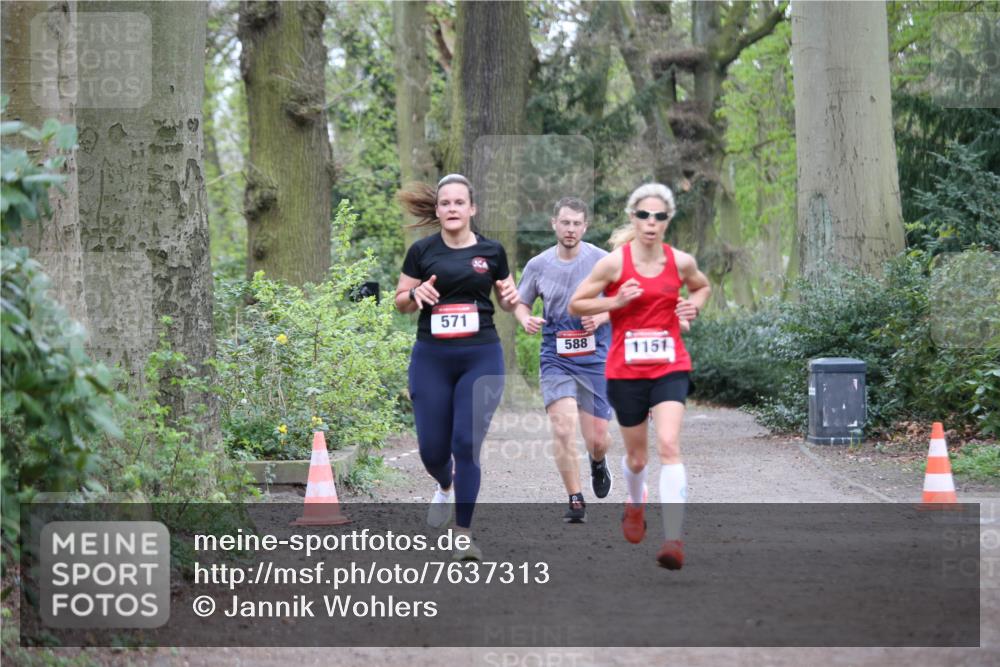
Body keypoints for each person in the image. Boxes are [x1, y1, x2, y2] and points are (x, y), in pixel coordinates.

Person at [569, 183, 710, 570]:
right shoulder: (614, 264)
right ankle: (635, 503)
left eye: (659, 216)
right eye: (644, 215)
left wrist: (691, 308)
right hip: (625, 371)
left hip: (670, 366)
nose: (651, 222)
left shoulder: (680, 261)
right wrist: (616, 301)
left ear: (668, 221)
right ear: (633, 217)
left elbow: (702, 286)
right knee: (636, 457)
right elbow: (576, 302)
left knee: (668, 443)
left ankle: (673, 539)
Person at [394, 174, 520, 561]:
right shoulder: (422, 251)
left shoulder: (492, 252)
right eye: (445, 203)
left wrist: (514, 299)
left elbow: (509, 300)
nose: (452, 209)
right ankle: (444, 486)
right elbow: (400, 301)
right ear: (438, 210)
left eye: (458, 203)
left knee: (466, 443)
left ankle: (463, 534)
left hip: (480, 356)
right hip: (432, 357)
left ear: (472, 209)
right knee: (433, 451)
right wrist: (415, 294)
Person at [515, 197, 613, 523]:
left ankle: (598, 461)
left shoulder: (603, 261)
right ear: (553, 224)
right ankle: (575, 498)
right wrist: (524, 318)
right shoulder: (538, 265)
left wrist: (601, 317)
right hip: (556, 354)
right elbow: (521, 302)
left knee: (598, 439)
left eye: (576, 224)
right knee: (563, 426)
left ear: (585, 227)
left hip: (596, 355)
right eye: (565, 222)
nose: (570, 229)